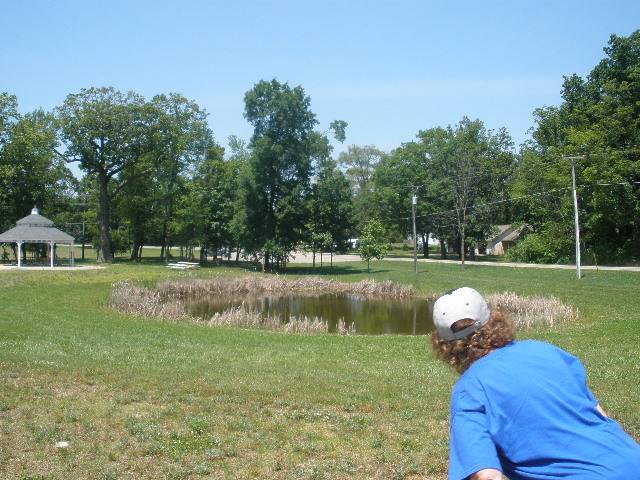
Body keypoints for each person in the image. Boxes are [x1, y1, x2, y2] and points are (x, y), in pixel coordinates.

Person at [431, 287, 640, 480]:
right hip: (630, 460)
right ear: (494, 319)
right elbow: (599, 414)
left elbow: (487, 475)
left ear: (444, 345)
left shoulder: (469, 389)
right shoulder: (546, 351)